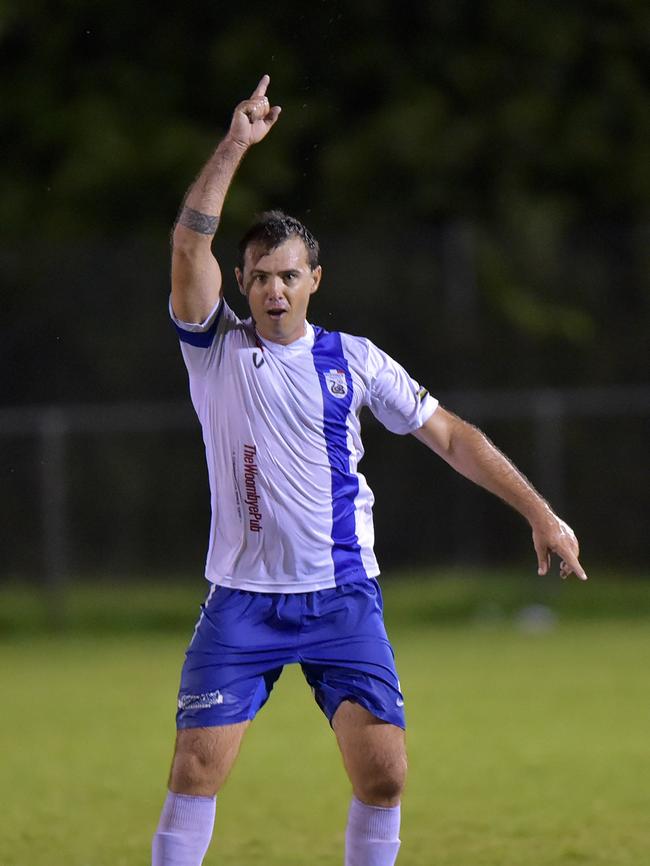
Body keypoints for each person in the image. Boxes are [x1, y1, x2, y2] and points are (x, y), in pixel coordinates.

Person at [151, 75, 587, 866]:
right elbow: (189, 245)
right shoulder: (218, 349)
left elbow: (451, 436)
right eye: (260, 275)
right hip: (242, 601)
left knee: (384, 777)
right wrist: (237, 144)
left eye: (289, 273)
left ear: (315, 279)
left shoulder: (353, 360)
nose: (274, 288)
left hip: (341, 595)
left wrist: (540, 513)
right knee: (195, 768)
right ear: (242, 284)